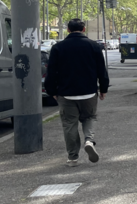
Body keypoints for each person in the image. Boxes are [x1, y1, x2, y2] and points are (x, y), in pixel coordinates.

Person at [44, 18, 108, 167]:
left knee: (69, 124)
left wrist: (52, 91)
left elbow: (51, 72)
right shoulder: (93, 46)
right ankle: (89, 140)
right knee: (90, 117)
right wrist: (103, 88)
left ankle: (72, 158)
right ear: (84, 29)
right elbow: (101, 70)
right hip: (89, 92)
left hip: (66, 93)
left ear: (68, 30)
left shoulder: (58, 47)